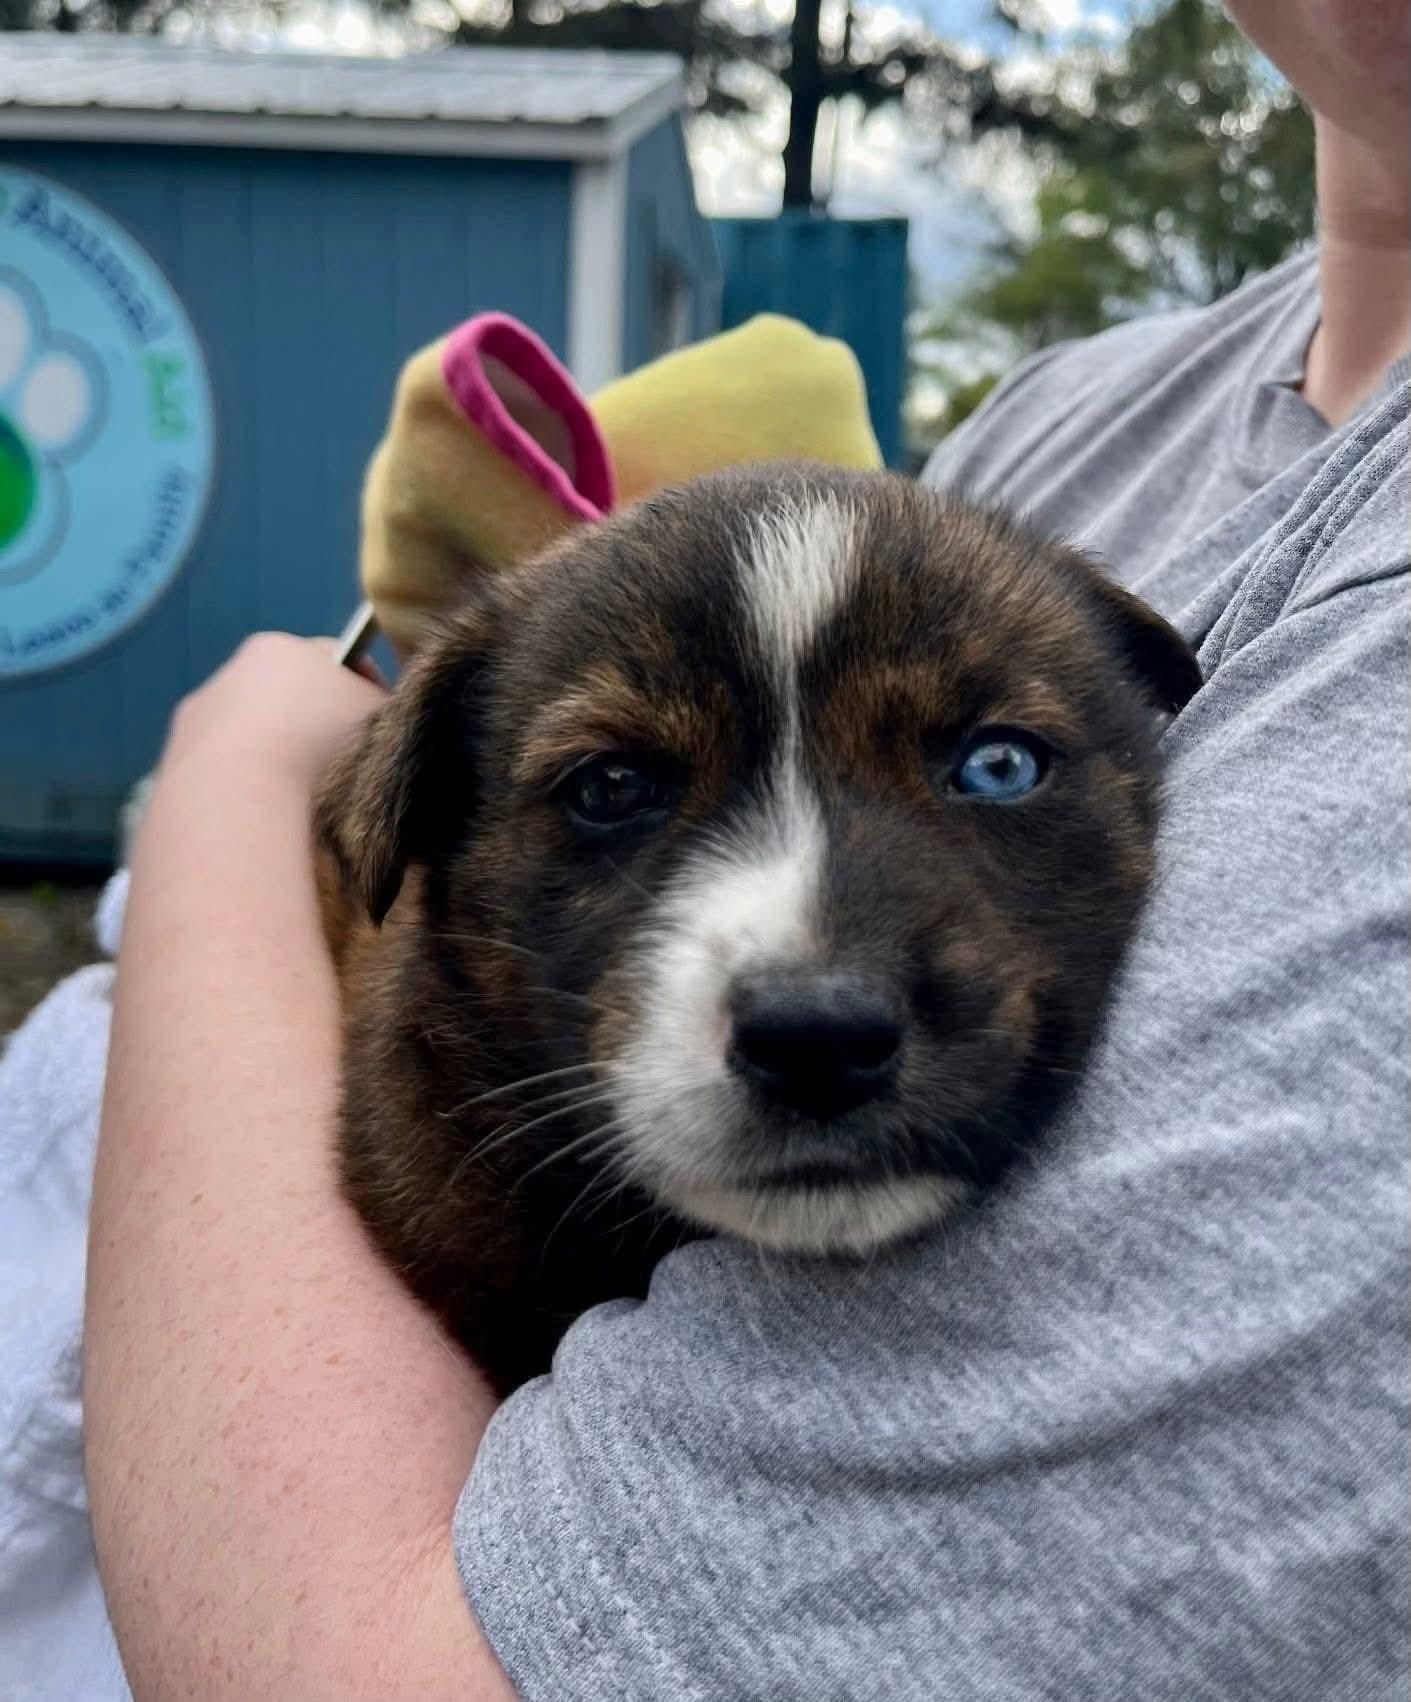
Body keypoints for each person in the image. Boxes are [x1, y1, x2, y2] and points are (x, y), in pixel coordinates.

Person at [82, 1, 1408, 1695]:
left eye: (995, 763)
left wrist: (225, 773)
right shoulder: (1076, 419)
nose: (814, 964)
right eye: (617, 793)